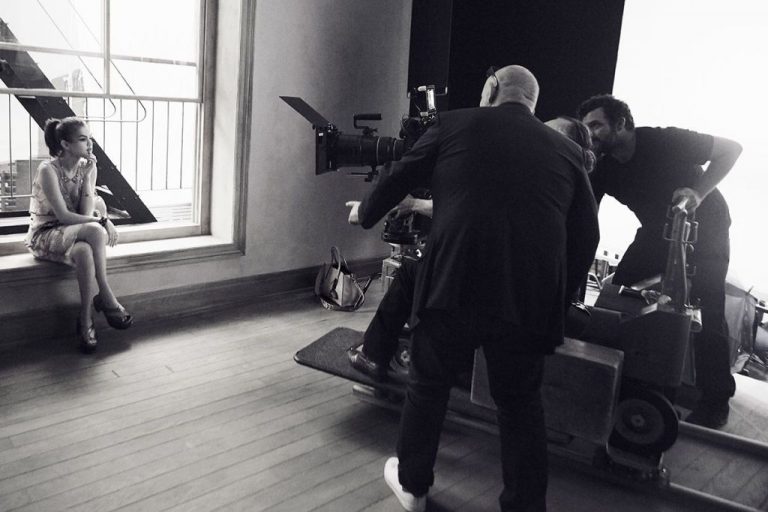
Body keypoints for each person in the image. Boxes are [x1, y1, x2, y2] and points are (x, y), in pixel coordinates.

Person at [347, 66, 599, 512]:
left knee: (428, 387)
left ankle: (414, 487)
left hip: (452, 286)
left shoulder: (453, 124)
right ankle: (524, 506)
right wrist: (555, 302)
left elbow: (399, 176)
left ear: (492, 88)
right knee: (520, 405)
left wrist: (364, 213)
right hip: (526, 302)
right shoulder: (567, 151)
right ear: (533, 101)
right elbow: (587, 236)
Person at [346, 116, 596, 381]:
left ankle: (373, 355)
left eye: (548, 133)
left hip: (504, 291)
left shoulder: (536, 181)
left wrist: (397, 206)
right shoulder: (566, 187)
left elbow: (469, 209)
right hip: (535, 295)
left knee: (412, 270)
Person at [578, 94, 742, 429]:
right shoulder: (603, 165)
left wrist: (698, 192)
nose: (590, 133)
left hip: (705, 226)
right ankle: (619, 376)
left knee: (707, 306)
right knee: (617, 294)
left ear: (621, 123)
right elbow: (586, 212)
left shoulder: (663, 140)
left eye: (596, 125)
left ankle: (715, 401)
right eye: (586, 127)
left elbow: (731, 149)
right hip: (657, 230)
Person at [26, 117, 133, 353]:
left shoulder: (87, 168)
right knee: (95, 229)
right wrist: (103, 221)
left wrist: (88, 177)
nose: (89, 144)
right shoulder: (48, 170)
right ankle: (105, 294)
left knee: (84, 251)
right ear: (65, 144)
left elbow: (84, 213)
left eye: (89, 138)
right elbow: (64, 217)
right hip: (45, 234)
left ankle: (85, 319)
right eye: (83, 139)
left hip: (73, 233)